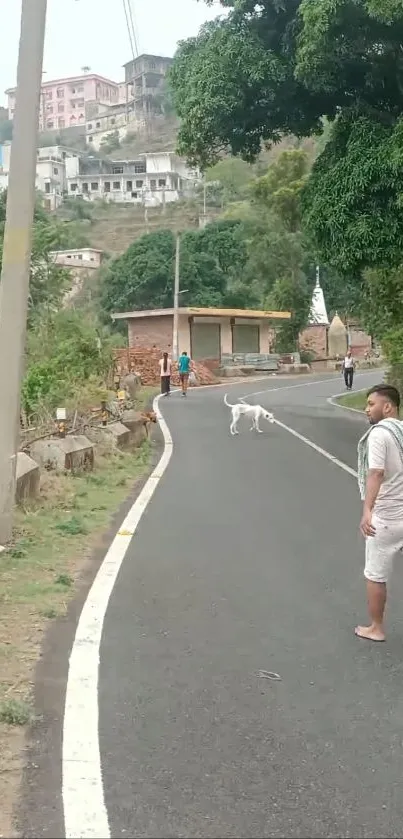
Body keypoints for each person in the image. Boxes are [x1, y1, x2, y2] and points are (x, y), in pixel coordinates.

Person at [356, 384, 403, 642]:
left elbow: (376, 472)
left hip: (386, 519)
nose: (367, 409)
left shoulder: (379, 434)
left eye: (371, 404)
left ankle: (376, 627)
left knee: (375, 574)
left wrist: (367, 510)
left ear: (388, 407)